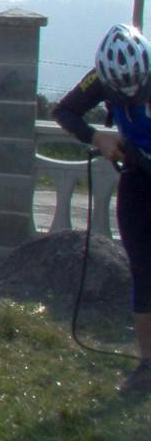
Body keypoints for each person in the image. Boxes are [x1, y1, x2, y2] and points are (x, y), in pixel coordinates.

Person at [54, 22, 151, 393]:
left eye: (136, 85)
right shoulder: (102, 77)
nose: (129, 93)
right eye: (119, 88)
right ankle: (147, 363)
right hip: (138, 178)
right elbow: (65, 111)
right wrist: (98, 138)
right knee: (143, 270)